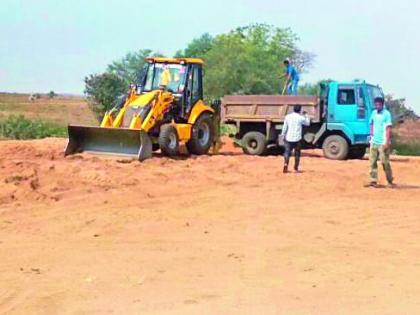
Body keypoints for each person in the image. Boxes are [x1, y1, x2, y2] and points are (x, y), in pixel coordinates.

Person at [366, 97, 394, 188]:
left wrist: (387, 141)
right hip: (374, 141)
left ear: (382, 104)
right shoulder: (373, 113)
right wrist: (371, 133)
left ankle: (389, 180)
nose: (377, 106)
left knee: (384, 162)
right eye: (376, 104)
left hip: (383, 142)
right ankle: (373, 181)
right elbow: (371, 123)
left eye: (379, 104)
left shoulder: (386, 114)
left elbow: (388, 128)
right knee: (372, 162)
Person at [281, 105, 310, 173]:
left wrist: (283, 135)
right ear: (299, 110)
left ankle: (285, 164)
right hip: (297, 139)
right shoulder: (300, 118)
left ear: (293, 109)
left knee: (287, 152)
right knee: (297, 154)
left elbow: (285, 127)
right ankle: (296, 168)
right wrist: (306, 115)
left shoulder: (288, 117)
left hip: (289, 138)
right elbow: (308, 123)